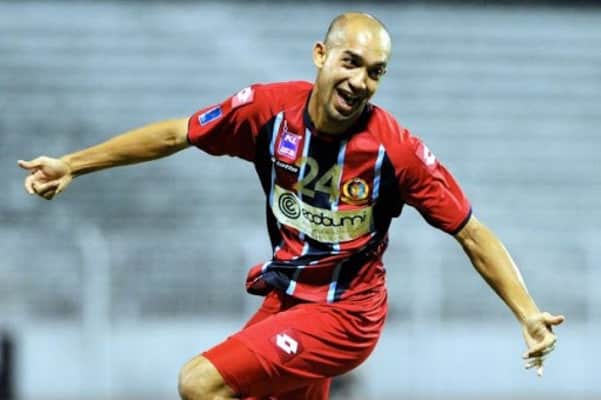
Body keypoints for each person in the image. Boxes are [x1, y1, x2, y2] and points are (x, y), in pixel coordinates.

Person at [18, 12, 564, 400]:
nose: (360, 81)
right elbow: (175, 134)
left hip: (346, 316)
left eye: (375, 71)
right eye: (351, 62)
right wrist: (74, 164)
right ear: (320, 56)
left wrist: (527, 313)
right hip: (290, 301)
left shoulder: (395, 152)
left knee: (199, 383)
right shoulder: (268, 111)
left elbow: (471, 231)